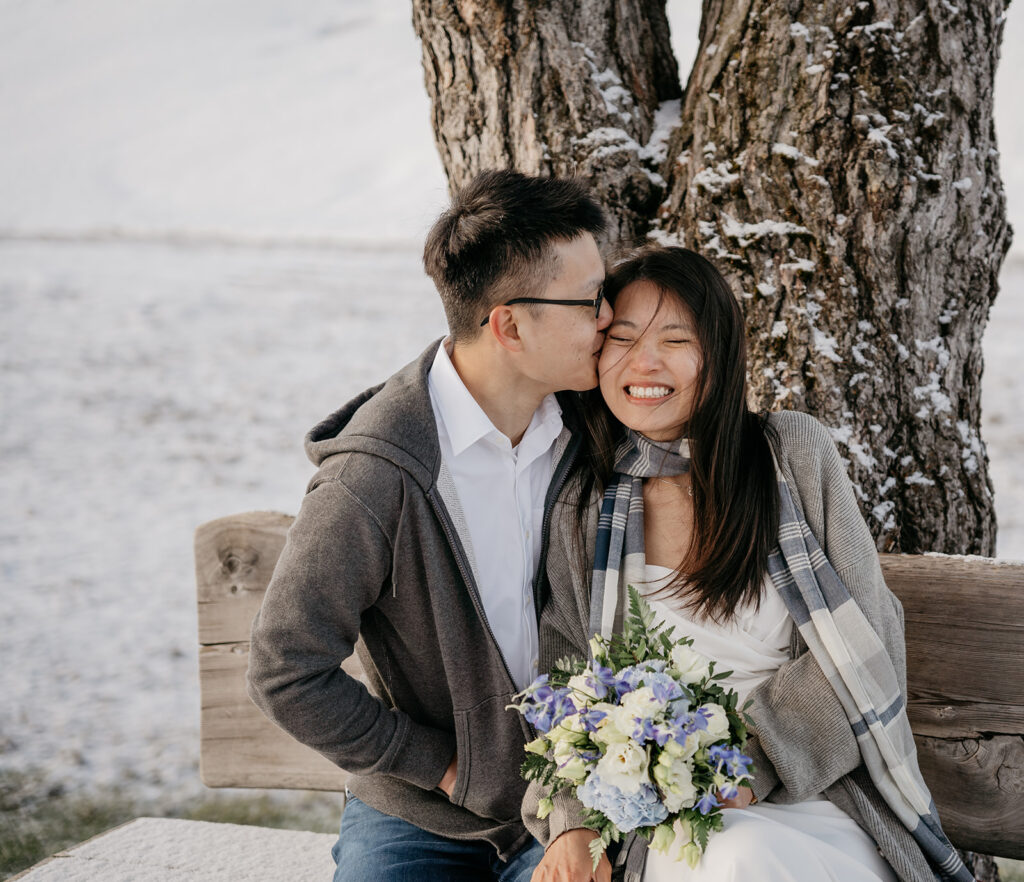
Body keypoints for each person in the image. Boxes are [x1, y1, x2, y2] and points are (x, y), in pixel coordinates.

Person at [525, 246, 973, 882]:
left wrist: (749, 767)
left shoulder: (789, 456)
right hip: (662, 820)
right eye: (621, 338)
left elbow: (862, 641)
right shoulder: (587, 503)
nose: (644, 362)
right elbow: (565, 673)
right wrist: (570, 821)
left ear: (720, 355)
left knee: (744, 858)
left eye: (676, 340)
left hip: (809, 796)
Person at [246, 169, 612, 882]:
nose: (609, 318)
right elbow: (285, 669)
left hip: (577, 799)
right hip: (420, 809)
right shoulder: (377, 475)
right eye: (591, 300)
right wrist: (440, 767)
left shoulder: (593, 431)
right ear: (509, 323)